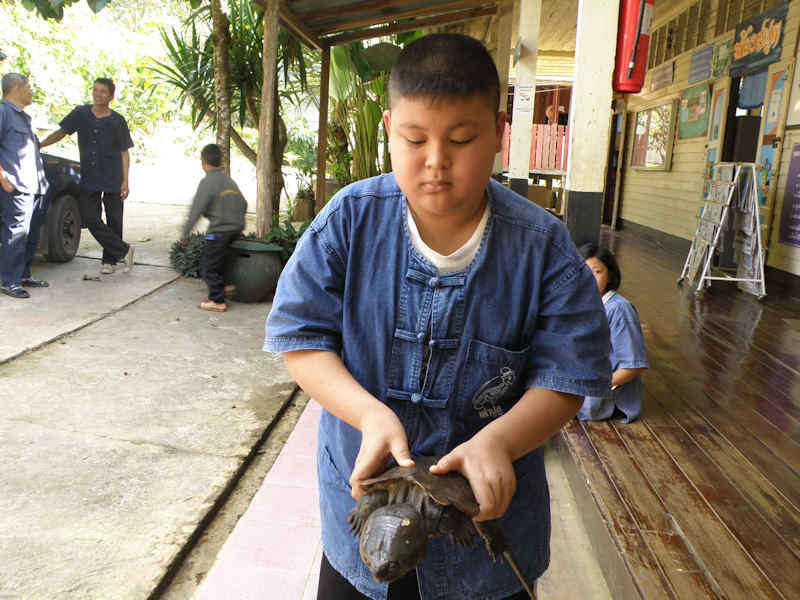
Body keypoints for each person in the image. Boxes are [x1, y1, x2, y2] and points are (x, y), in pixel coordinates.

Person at [264, 34, 611, 600]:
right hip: (364, 518)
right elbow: (299, 340)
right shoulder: (348, 222)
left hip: (487, 536)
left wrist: (499, 440)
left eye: (461, 139)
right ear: (389, 131)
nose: (436, 163)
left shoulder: (542, 246)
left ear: (499, 134)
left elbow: (567, 377)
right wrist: (367, 414)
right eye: (414, 139)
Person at [40, 77, 134, 274]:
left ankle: (109, 261)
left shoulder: (118, 121)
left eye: (103, 92)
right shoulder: (81, 114)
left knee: (114, 219)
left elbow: (125, 153)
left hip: (113, 176)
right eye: (95, 90)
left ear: (111, 96)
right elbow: (61, 132)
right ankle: (124, 250)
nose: (98, 94)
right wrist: (40, 145)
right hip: (90, 176)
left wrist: (126, 180)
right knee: (90, 218)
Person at [577, 243, 648, 423]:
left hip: (604, 396)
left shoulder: (618, 309)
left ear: (610, 276)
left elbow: (633, 366)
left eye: (597, 272)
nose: (590, 278)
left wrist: (594, 386)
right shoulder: (583, 303)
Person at [0, 73, 50, 298]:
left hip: (36, 186)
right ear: (17, 88)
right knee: (16, 233)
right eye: (28, 87)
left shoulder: (24, 117)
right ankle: (8, 280)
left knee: (31, 234)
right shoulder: (3, 113)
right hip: (16, 186)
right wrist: (3, 179)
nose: (31, 91)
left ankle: (23, 275)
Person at [180, 143, 246, 313]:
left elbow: (197, 209)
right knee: (221, 260)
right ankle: (225, 286)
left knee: (207, 265)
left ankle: (217, 300)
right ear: (221, 162)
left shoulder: (208, 182)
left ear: (203, 162)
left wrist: (185, 233)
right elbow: (243, 203)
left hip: (220, 231)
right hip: (236, 228)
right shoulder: (228, 180)